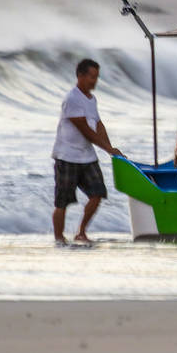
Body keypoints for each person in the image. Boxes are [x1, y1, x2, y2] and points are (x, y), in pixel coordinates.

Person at [50, 58, 124, 245]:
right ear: (80, 76)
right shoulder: (72, 99)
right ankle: (59, 239)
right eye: (92, 77)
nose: (95, 81)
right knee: (62, 202)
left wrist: (111, 148)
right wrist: (107, 148)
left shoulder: (92, 100)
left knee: (98, 193)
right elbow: (86, 130)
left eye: (97, 77)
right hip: (67, 156)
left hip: (87, 157)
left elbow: (98, 125)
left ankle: (81, 232)